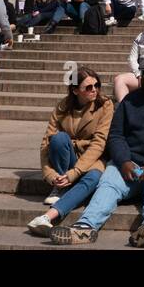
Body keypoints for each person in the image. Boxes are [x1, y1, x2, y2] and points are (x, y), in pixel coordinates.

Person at [50, 55, 144, 247]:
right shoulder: (130, 101)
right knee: (108, 184)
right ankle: (84, 228)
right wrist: (123, 160)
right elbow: (116, 135)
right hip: (132, 161)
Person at [27, 66, 113, 236]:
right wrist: (50, 175)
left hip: (92, 158)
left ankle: (46, 217)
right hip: (66, 158)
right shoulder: (62, 107)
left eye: (97, 85)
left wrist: (75, 172)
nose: (94, 90)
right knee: (58, 139)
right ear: (75, 90)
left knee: (94, 177)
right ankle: (60, 184)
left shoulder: (105, 105)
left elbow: (99, 143)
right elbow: (46, 144)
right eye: (88, 87)